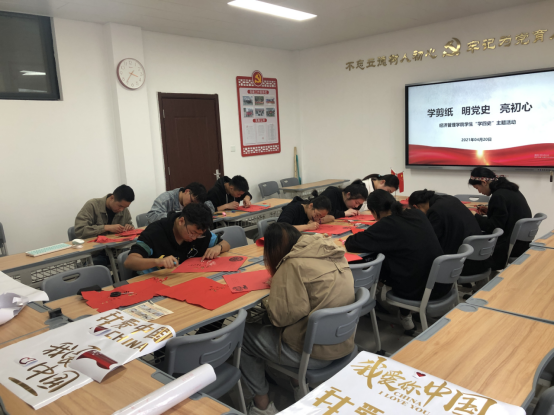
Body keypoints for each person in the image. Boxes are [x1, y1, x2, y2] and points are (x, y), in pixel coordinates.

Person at [240, 223, 355, 415]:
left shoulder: (292, 264)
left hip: (316, 355)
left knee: (243, 334)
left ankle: (262, 405)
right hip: (343, 342)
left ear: (273, 250)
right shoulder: (332, 251)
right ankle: (298, 386)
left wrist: (271, 298)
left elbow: (279, 318)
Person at [344, 190, 446, 331]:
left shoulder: (387, 224)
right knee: (391, 254)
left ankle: (371, 297)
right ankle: (394, 307)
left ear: (374, 212)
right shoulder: (416, 214)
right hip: (441, 282)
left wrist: (373, 230)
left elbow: (352, 243)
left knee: (380, 258)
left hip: (417, 290)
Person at [124, 203, 231, 275]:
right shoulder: (155, 232)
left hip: (181, 279)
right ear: (181, 221)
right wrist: (157, 261)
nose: (194, 238)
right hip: (152, 282)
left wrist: (218, 247)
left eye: (199, 235)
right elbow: (129, 262)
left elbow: (226, 244)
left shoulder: (199, 230)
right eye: (192, 233)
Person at [409, 189, 485, 277]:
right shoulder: (449, 198)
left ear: (416, 207)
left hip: (461, 262)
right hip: (477, 254)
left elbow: (431, 240)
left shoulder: (435, 211)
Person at [468, 167, 532, 270]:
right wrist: (490, 211)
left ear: (484, 182)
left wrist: (475, 216)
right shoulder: (511, 190)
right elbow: (509, 215)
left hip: (507, 246)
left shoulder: (498, 196)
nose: (479, 191)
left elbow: (494, 227)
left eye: (477, 188)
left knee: (468, 239)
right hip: (521, 243)